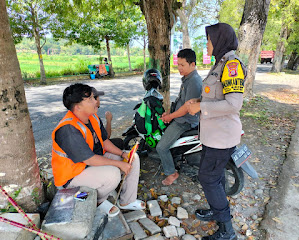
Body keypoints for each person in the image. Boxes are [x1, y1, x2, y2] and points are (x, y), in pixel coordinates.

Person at [187, 23, 247, 240]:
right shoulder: (220, 63)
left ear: (220, 40)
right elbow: (217, 96)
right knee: (215, 176)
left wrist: (201, 107)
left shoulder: (232, 65)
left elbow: (233, 104)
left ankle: (226, 231)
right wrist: (200, 101)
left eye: (209, 40)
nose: (207, 44)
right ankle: (216, 208)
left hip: (222, 137)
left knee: (208, 178)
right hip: (213, 136)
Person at [51, 83, 145, 217]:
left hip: (89, 165)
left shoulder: (93, 117)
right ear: (78, 107)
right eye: (90, 99)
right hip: (71, 179)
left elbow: (104, 142)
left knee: (133, 158)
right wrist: (119, 164)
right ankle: (96, 201)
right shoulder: (68, 129)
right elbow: (89, 158)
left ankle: (127, 201)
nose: (96, 101)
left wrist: (123, 154)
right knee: (113, 174)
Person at [157, 48, 202, 186]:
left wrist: (170, 117)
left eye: (182, 65)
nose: (179, 68)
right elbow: (180, 101)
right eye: (178, 64)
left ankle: (171, 173)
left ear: (192, 64)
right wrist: (169, 112)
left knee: (161, 147)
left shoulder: (194, 81)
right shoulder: (187, 79)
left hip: (185, 121)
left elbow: (186, 109)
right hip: (180, 117)